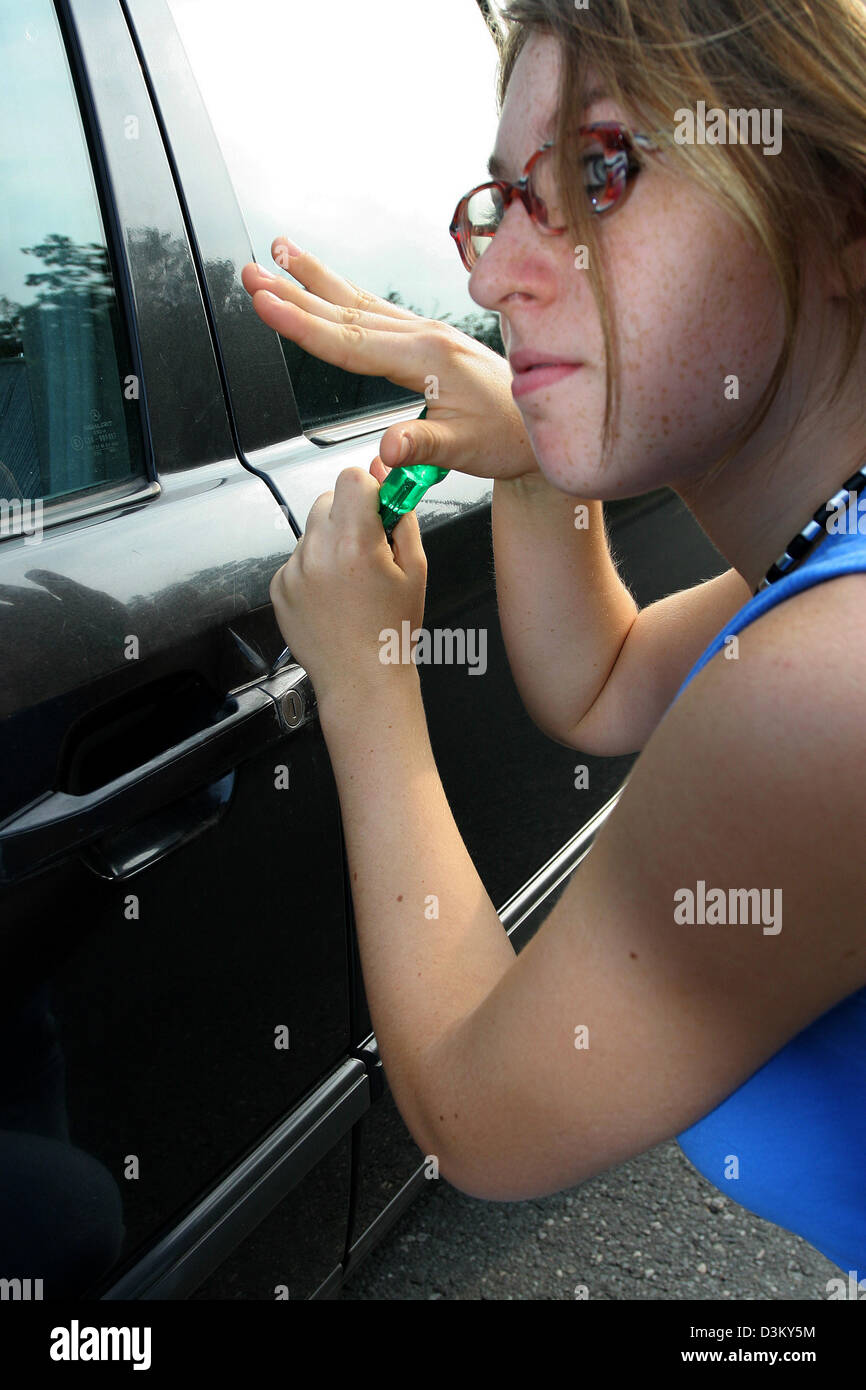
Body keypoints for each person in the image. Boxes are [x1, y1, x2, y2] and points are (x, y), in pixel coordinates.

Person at [241, 0, 866, 1276]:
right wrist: (535, 461)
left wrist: (363, 683)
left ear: (842, 207)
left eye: (597, 173)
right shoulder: (824, 577)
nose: (486, 280)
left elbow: (477, 1114)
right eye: (501, 201)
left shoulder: (834, 680)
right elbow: (607, 679)